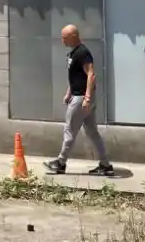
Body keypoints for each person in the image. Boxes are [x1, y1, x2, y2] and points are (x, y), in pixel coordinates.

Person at [43, 24, 114, 176]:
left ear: (73, 36)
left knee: (69, 130)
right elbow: (76, 76)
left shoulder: (83, 52)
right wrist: (69, 92)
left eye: (64, 37)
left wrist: (87, 98)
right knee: (92, 132)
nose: (62, 40)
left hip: (82, 98)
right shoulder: (74, 53)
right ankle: (105, 164)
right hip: (80, 96)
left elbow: (91, 75)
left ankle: (60, 162)